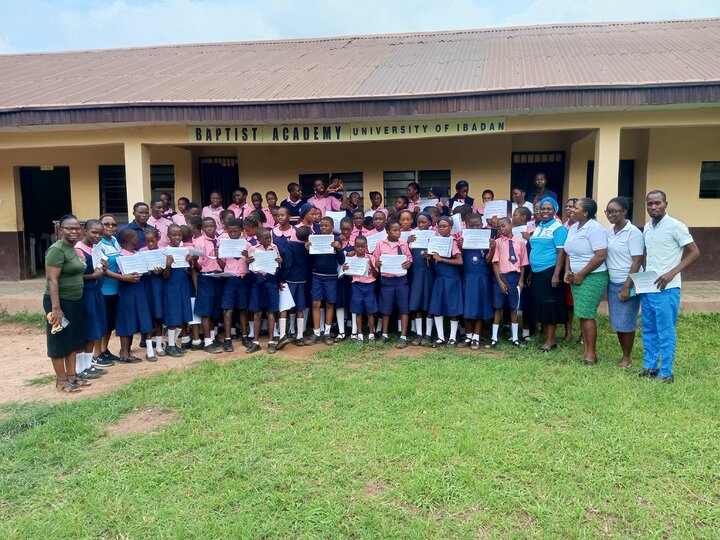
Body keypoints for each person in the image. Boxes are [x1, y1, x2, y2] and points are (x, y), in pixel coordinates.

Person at [638, 190, 700, 383]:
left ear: (666, 204)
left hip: (668, 288)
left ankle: (666, 372)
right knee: (648, 328)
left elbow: (694, 252)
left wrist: (672, 272)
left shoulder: (676, 226)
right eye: (650, 204)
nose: (653, 207)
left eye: (657, 203)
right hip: (649, 286)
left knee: (665, 330)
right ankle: (650, 366)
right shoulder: (648, 227)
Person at [44, 215, 89, 392]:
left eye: (77, 228)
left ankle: (72, 377)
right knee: (59, 339)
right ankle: (61, 381)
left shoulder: (73, 249)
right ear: (61, 230)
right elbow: (52, 280)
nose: (74, 231)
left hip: (75, 300)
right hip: (59, 302)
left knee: (73, 339)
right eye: (69, 228)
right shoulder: (57, 250)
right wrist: (56, 308)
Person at [563, 198, 608, 365]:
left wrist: (581, 273)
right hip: (576, 275)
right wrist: (568, 270)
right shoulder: (574, 227)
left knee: (587, 314)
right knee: (582, 313)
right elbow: (569, 251)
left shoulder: (595, 229)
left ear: (586, 212)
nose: (572, 210)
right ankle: (586, 350)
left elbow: (601, 255)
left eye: (576, 207)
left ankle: (591, 354)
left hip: (593, 277)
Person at [605, 197, 644, 368]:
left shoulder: (633, 232)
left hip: (628, 282)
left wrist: (626, 286)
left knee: (627, 321)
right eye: (608, 211)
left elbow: (637, 260)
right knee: (618, 321)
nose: (610, 214)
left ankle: (627, 357)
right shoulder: (609, 231)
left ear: (624, 212)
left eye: (614, 211)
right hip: (613, 282)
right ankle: (624, 354)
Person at [528, 197, 567, 351]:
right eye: (543, 208)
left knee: (550, 304)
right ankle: (546, 335)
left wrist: (556, 274)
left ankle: (551, 341)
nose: (545, 211)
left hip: (550, 270)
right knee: (541, 303)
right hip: (537, 271)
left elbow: (561, 252)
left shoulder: (559, 228)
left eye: (549, 209)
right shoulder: (539, 227)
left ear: (555, 210)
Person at [75, 219, 108, 379]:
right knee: (86, 330)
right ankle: (80, 368)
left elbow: (98, 268)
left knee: (95, 329)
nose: (97, 236)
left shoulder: (96, 248)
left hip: (96, 292)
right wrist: (93, 276)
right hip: (85, 294)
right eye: (94, 232)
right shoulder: (78, 250)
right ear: (85, 231)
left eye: (100, 233)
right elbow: (73, 276)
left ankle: (88, 364)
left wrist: (103, 267)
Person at [488, 217, 528, 348]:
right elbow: (495, 264)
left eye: (504, 226)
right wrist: (500, 282)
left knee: (513, 308)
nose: (501, 229)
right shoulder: (498, 243)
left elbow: (523, 264)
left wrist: (521, 280)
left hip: (514, 277)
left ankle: (515, 338)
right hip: (500, 277)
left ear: (511, 225)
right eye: (499, 227)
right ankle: (494, 338)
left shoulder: (520, 243)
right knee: (498, 308)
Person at [115, 228, 154, 363]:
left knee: (144, 317)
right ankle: (124, 352)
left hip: (140, 290)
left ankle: (145, 350)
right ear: (130, 240)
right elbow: (119, 275)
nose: (139, 239)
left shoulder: (138, 254)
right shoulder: (121, 257)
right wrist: (125, 277)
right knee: (127, 320)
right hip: (128, 292)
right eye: (136, 237)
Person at [306, 217, 346, 345]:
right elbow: (310, 259)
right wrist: (307, 249)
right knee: (316, 303)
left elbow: (341, 261)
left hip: (331, 276)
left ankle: (327, 333)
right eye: (322, 225)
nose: (323, 228)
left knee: (329, 303)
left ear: (332, 227)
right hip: (316, 275)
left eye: (326, 225)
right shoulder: (314, 238)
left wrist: (338, 248)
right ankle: (316, 333)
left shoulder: (337, 239)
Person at [373, 221, 413, 348]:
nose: (398, 232)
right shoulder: (380, 244)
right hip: (387, 280)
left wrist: (408, 263)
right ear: (387, 231)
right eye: (395, 230)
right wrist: (377, 263)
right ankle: (384, 334)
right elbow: (375, 259)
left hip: (401, 280)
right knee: (386, 308)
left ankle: (403, 336)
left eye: (399, 230)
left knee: (404, 308)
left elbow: (409, 258)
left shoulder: (403, 244)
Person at [457, 213, 493, 350]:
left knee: (480, 306)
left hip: (481, 277)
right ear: (466, 225)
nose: (474, 228)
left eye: (477, 225)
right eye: (471, 225)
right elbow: (460, 259)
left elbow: (488, 262)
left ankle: (476, 337)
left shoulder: (486, 239)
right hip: (467, 277)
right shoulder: (463, 238)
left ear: (482, 224)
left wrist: (492, 248)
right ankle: (468, 335)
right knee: (467, 307)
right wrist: (460, 246)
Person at [427, 216, 463, 347]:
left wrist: (441, 259)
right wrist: (430, 258)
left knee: (453, 308)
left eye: (444, 226)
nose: (441, 229)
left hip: (451, 278)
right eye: (439, 226)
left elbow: (459, 261)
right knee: (437, 307)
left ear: (451, 228)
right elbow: (435, 259)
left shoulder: (452, 242)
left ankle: (452, 337)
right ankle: (440, 337)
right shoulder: (435, 241)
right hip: (439, 278)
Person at [246, 228, 283, 354]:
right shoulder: (253, 249)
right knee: (257, 312)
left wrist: (279, 262)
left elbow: (278, 265)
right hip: (258, 281)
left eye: (269, 237)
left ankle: (271, 341)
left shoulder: (274, 248)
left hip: (271, 281)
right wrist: (248, 262)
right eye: (266, 238)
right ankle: (255, 342)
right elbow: (250, 267)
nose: (269, 240)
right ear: (259, 239)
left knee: (271, 312)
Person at [192, 217, 224, 353]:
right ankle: (207, 342)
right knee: (206, 310)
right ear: (202, 228)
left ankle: (212, 337)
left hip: (218, 276)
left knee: (215, 309)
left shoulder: (220, 241)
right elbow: (198, 267)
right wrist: (194, 262)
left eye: (212, 226)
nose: (210, 228)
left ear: (216, 226)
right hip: (206, 277)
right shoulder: (199, 243)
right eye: (207, 226)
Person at [94, 213, 122, 366]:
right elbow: (102, 269)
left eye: (113, 224)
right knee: (102, 323)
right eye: (107, 224)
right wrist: (123, 278)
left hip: (115, 289)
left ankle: (104, 350)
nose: (111, 227)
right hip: (104, 289)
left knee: (110, 324)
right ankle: (96, 354)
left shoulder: (115, 241)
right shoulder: (99, 244)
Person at [162, 224, 193, 357]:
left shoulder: (184, 250)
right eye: (173, 235)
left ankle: (172, 344)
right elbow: (164, 276)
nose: (177, 237)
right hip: (172, 287)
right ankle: (171, 345)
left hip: (183, 286)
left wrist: (190, 262)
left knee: (183, 316)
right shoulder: (165, 251)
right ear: (168, 236)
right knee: (173, 317)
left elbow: (188, 270)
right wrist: (168, 265)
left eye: (179, 235)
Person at [344, 235, 379, 343]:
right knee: (358, 311)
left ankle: (371, 334)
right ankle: (359, 334)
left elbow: (376, 274)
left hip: (369, 286)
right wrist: (346, 269)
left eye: (362, 247)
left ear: (366, 247)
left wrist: (371, 265)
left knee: (370, 311)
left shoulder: (371, 258)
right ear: (354, 247)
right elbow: (350, 276)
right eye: (358, 246)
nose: (360, 249)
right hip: (357, 286)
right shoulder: (351, 259)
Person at [408, 211, 436, 345]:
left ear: (430, 223)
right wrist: (408, 243)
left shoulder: (435, 235)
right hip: (416, 273)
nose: (421, 224)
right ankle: (419, 334)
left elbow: (439, 256)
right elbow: (406, 254)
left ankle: (428, 334)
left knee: (429, 302)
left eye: (424, 222)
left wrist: (430, 256)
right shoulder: (413, 235)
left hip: (429, 273)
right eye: (419, 222)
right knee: (417, 303)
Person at [562, 198, 579, 341]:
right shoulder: (564, 226)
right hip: (567, 268)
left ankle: (583, 334)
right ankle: (568, 332)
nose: (569, 209)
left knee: (581, 302)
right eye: (567, 206)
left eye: (573, 207)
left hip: (582, 269)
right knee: (569, 303)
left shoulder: (585, 226)